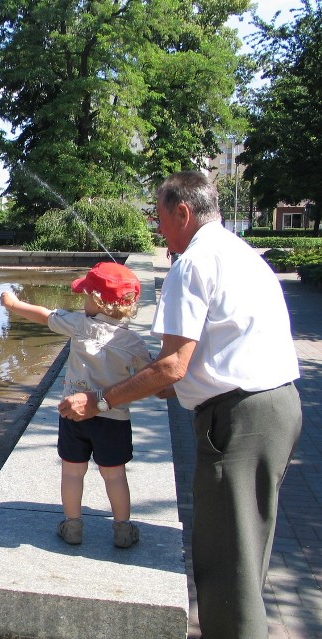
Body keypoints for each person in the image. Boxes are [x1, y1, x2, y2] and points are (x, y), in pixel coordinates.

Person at [58, 170, 302, 639]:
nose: (156, 227)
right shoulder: (239, 254)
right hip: (276, 406)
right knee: (248, 545)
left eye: (160, 216)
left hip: (240, 419)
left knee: (229, 559)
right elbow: (205, 357)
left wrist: (100, 400)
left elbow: (172, 365)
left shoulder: (191, 264)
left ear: (183, 212)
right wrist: (156, 385)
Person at [1, 262, 152, 548]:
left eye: (85, 296)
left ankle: (72, 526)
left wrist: (14, 304)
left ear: (96, 301)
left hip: (73, 415)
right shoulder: (133, 342)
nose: (82, 301)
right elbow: (151, 375)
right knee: (115, 476)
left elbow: (44, 316)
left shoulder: (79, 324)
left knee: (72, 472)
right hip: (113, 417)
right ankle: (122, 530)